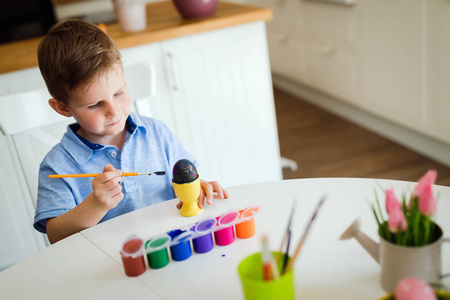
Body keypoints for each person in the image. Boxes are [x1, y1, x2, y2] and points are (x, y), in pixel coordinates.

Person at [33, 20, 228, 244]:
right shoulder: (57, 166)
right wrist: (95, 205)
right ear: (63, 108)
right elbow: (55, 235)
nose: (113, 111)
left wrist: (199, 188)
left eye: (119, 93)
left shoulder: (156, 133)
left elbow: (182, 183)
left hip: (173, 246)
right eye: (95, 104)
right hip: (110, 265)